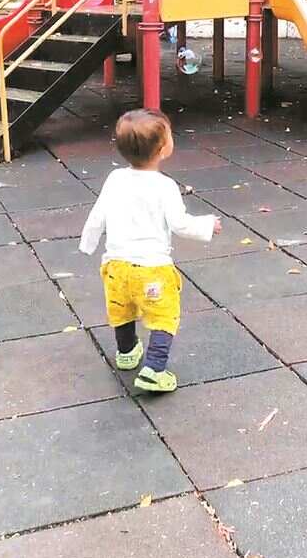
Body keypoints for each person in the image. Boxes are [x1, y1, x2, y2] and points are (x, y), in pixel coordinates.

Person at [79, 108, 221, 393]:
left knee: (122, 310)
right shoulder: (165, 186)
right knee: (164, 316)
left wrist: (87, 244)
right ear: (162, 149)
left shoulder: (114, 179)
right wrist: (208, 225)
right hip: (152, 270)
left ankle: (127, 352)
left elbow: (97, 215)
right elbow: (180, 224)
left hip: (116, 267)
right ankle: (154, 369)